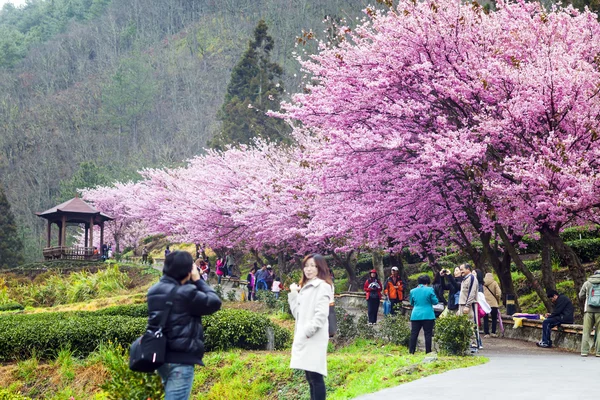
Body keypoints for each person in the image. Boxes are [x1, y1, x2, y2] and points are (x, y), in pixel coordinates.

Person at [146, 251, 221, 399]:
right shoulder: (185, 292)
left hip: (160, 356)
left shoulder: (154, 291)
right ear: (187, 271)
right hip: (180, 359)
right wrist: (198, 280)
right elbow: (214, 302)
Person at [288, 254, 334, 400]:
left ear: (319, 268)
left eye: (313, 266)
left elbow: (321, 314)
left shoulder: (322, 286)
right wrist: (294, 294)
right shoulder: (306, 287)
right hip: (305, 336)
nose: (308, 269)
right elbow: (297, 314)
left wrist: (308, 331)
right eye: (306, 266)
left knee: (316, 376)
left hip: (313, 337)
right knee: (310, 377)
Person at [409, 275, 439, 354]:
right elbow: (435, 301)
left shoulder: (412, 291)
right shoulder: (430, 290)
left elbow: (411, 302)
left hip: (415, 315)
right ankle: (428, 351)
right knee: (428, 334)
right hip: (428, 314)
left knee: (414, 333)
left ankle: (411, 351)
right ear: (427, 282)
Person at [457, 264, 480, 350]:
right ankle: (465, 343)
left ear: (468, 269)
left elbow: (472, 293)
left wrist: (467, 306)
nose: (461, 271)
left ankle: (474, 343)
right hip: (462, 305)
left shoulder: (472, 278)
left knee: (471, 324)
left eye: (462, 269)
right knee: (463, 325)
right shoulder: (464, 279)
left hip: (469, 306)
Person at [578, 270, 600, 357]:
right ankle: (598, 353)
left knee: (586, 331)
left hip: (588, 310)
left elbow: (580, 296)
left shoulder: (587, 283)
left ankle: (584, 351)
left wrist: (587, 295)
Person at [483, 272, 502, 338]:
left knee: (485, 318)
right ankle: (493, 332)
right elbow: (498, 293)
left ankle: (486, 333)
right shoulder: (494, 283)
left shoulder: (483, 284)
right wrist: (497, 299)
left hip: (485, 304)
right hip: (493, 304)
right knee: (494, 318)